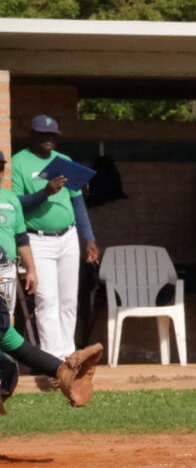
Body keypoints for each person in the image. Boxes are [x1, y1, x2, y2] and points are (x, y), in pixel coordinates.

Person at [10, 115, 100, 360]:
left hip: (68, 237)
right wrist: (45, 193)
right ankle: (53, 361)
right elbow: (16, 205)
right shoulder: (18, 162)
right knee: (46, 300)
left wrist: (88, 238)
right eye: (43, 134)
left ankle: (69, 357)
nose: (49, 139)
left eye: (53, 135)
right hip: (37, 240)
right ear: (32, 134)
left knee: (68, 300)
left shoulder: (64, 161)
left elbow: (77, 201)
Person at [0, 150, 39, 314]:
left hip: (6, 269)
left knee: (4, 319)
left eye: (0, 168)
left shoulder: (11, 199)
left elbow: (21, 239)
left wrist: (31, 271)